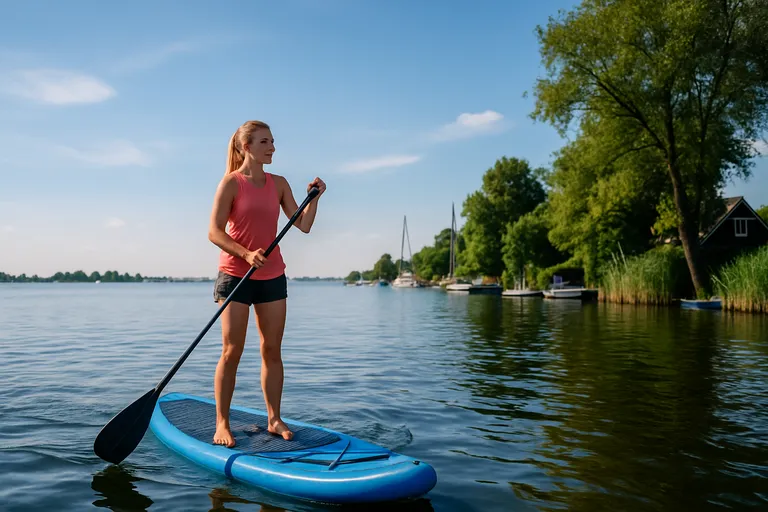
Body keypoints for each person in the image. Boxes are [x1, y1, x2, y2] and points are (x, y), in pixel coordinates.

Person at [207, 119, 326, 447]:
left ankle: (274, 418)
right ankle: (222, 423)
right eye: (264, 142)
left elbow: (303, 226)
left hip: (272, 275)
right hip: (235, 275)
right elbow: (214, 232)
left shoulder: (280, 184)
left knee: (272, 349)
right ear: (247, 147)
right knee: (232, 350)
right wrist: (245, 253)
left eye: (272, 141)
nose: (272, 147)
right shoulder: (231, 184)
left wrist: (313, 198)